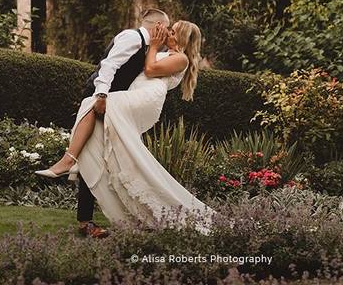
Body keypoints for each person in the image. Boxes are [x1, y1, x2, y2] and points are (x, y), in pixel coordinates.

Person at [39, 16, 213, 236]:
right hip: (134, 96)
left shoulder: (180, 59)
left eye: (172, 31)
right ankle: (86, 184)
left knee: (94, 102)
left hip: (146, 99)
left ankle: (67, 160)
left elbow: (150, 70)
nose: (167, 32)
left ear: (181, 38)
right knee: (106, 145)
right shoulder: (151, 47)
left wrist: (154, 46)